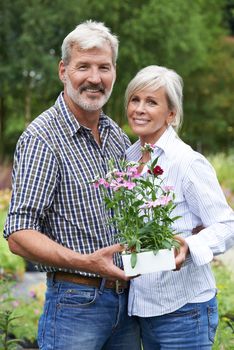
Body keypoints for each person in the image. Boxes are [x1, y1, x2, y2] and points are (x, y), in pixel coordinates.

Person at [3, 20, 141, 350]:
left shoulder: (116, 136)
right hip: (76, 304)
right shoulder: (43, 139)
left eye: (103, 67)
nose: (94, 78)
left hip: (129, 305)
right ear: (63, 71)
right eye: (84, 67)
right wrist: (85, 263)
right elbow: (19, 234)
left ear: (114, 73)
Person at [125, 65, 234, 349]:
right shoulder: (128, 159)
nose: (139, 109)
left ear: (171, 114)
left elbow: (227, 225)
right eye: (134, 99)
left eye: (151, 102)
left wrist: (188, 246)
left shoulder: (187, 162)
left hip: (184, 310)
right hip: (143, 309)